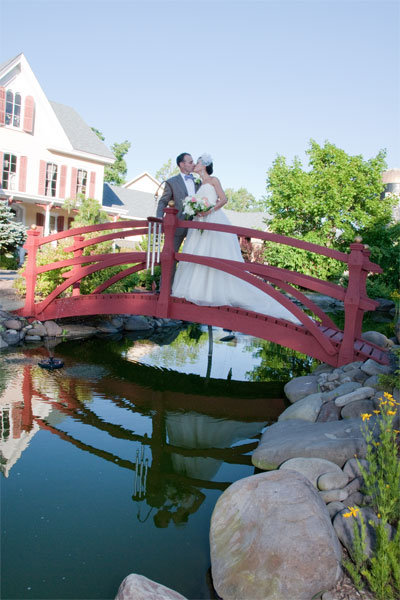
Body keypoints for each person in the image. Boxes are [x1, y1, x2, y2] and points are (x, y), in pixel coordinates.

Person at [171, 153, 302, 325]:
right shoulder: (198, 183)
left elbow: (224, 199)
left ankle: (215, 292)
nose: (194, 164)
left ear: (204, 165)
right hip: (199, 222)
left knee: (214, 254)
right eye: (192, 162)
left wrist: (209, 210)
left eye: (197, 162)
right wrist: (195, 209)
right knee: (198, 253)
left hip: (212, 218)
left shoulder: (213, 180)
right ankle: (198, 290)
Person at [156, 152, 201, 253]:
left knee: (194, 256)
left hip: (196, 225)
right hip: (177, 225)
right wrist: (159, 218)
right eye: (190, 162)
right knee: (170, 253)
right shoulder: (171, 182)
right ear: (182, 164)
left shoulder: (198, 181)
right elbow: (163, 201)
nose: (193, 164)